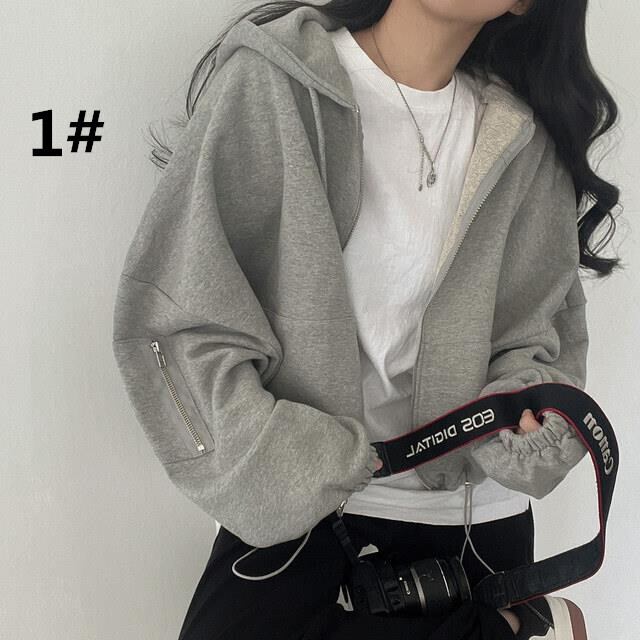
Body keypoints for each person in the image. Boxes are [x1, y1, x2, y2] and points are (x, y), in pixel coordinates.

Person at [111, 1, 621, 638]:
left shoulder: (523, 139)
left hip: (472, 528)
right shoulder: (274, 83)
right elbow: (181, 317)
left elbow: (538, 336)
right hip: (301, 517)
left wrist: (526, 419)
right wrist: (273, 458)